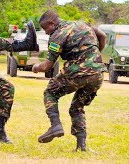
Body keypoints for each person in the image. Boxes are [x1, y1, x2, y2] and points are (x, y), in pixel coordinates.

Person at [32, 10, 106, 151]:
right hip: (97, 73)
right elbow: (103, 35)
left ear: (51, 24)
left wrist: (36, 67)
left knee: (50, 93)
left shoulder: (57, 35)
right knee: (76, 108)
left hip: (78, 72)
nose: (46, 33)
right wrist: (95, 56)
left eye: (45, 29)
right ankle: (81, 147)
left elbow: (48, 65)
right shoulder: (82, 24)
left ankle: (55, 126)